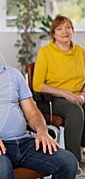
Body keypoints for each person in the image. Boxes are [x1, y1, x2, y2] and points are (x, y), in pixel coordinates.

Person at [0, 23, 78, 178]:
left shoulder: (14, 74)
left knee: (68, 162)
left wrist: (42, 130)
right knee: (2, 170)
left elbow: (31, 112)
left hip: (25, 143)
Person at [33, 15, 85, 166]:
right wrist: (66, 94)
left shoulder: (80, 52)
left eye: (68, 27)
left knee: (79, 106)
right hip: (51, 99)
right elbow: (37, 85)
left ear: (73, 31)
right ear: (53, 33)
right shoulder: (46, 52)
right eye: (59, 28)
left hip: (77, 96)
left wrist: (82, 95)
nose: (65, 31)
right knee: (75, 110)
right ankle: (73, 160)